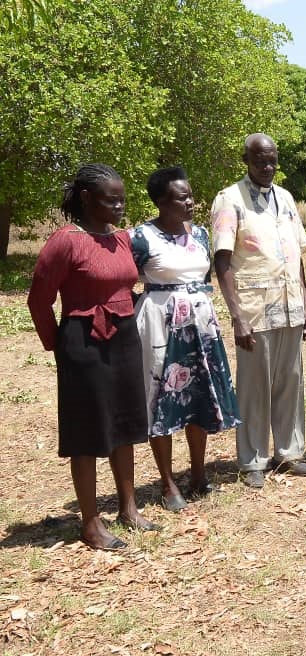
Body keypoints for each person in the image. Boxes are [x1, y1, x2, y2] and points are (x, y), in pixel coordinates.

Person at [27, 164, 159, 550]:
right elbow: (39, 300)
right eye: (110, 199)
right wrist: (60, 346)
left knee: (126, 423)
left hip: (123, 337)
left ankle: (128, 507)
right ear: (87, 198)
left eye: (122, 199)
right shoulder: (66, 241)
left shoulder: (121, 237)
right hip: (83, 342)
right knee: (86, 431)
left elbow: (127, 283)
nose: (119, 206)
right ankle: (90, 522)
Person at [130, 166, 241, 511]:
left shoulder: (202, 235)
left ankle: (198, 473)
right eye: (182, 197)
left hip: (200, 324)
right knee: (159, 396)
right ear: (161, 201)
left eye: (191, 195)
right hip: (160, 327)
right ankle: (167, 483)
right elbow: (122, 281)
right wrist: (146, 310)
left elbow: (207, 273)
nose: (191, 202)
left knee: (199, 395)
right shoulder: (141, 237)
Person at [211, 133, 306, 489]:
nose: (267, 167)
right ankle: (252, 459)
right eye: (260, 161)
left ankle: (288, 453)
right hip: (254, 312)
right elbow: (222, 261)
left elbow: (296, 255)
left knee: (291, 383)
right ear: (246, 160)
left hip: (290, 308)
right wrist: (237, 317)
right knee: (254, 388)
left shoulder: (285, 199)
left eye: (272, 161)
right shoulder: (230, 200)